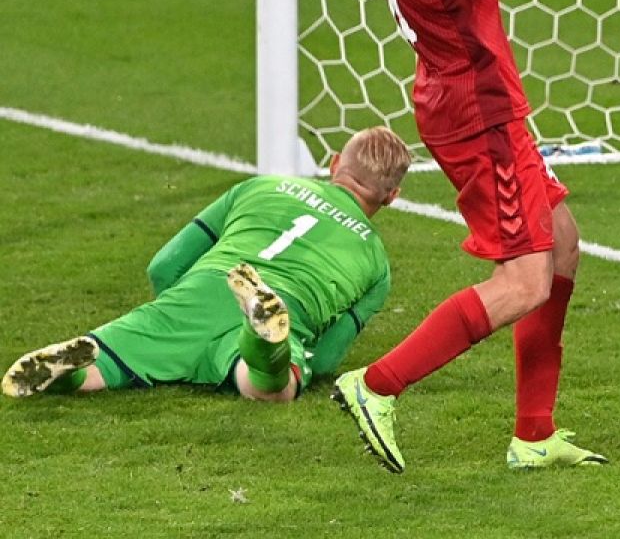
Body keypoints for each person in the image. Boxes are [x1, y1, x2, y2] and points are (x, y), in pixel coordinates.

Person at [336, 0, 605, 474]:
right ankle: (376, 384)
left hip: (473, 96)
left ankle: (535, 434)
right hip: (474, 105)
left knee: (563, 244)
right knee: (524, 281)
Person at [2, 126, 411, 403]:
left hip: (205, 285)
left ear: (335, 163)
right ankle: (262, 345)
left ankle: (70, 371)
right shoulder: (378, 264)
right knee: (272, 387)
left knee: (108, 365)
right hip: (289, 303)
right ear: (391, 197)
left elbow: (163, 266)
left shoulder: (261, 186)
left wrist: (183, 321)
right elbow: (324, 361)